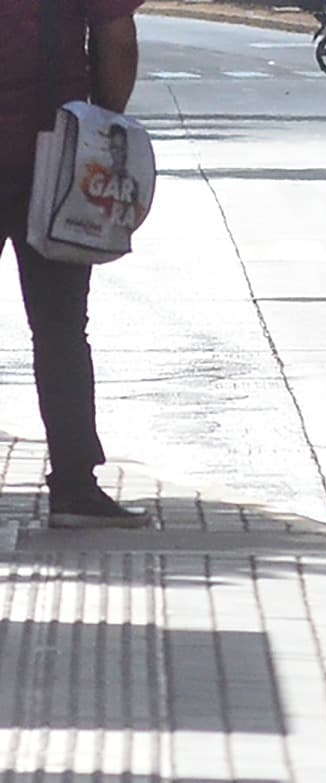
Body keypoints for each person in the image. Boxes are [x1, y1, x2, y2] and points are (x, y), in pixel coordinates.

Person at [0, 0, 150, 529]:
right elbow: (116, 38)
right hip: (55, 159)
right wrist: (104, 126)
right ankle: (73, 487)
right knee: (61, 330)